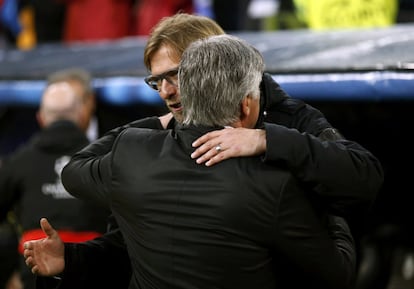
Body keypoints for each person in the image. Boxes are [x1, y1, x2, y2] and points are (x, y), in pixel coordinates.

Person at [23, 13, 383, 289]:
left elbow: (363, 176)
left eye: (174, 75)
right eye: (155, 81)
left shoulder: (287, 117)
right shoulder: (155, 137)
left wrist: (269, 140)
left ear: (210, 63)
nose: (165, 91)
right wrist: (71, 260)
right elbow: (129, 247)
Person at [0, 81, 110, 289]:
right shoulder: (104, 160)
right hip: (95, 271)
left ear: (40, 118)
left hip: (35, 273)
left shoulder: (19, 161)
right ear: (82, 116)